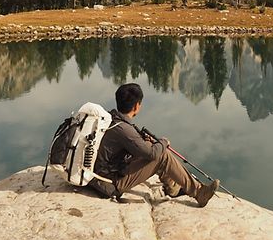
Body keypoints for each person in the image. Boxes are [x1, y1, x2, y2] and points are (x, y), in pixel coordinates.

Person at [90, 83, 220, 207]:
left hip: (97, 177)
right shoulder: (124, 129)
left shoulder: (111, 119)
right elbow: (152, 154)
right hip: (109, 184)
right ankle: (198, 192)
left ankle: (173, 189)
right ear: (136, 106)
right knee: (161, 155)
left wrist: (149, 143)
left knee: (151, 147)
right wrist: (163, 142)